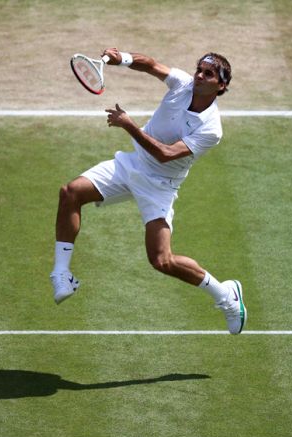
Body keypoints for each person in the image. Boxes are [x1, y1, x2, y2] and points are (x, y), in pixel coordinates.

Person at [50, 48, 246, 334]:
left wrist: (129, 125)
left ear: (221, 85)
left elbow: (166, 154)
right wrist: (124, 59)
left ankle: (226, 296)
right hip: (130, 165)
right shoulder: (182, 83)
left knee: (161, 260)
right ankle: (61, 273)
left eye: (208, 74)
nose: (199, 76)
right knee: (71, 192)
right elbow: (152, 64)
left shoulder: (211, 129)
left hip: (159, 186)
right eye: (199, 70)